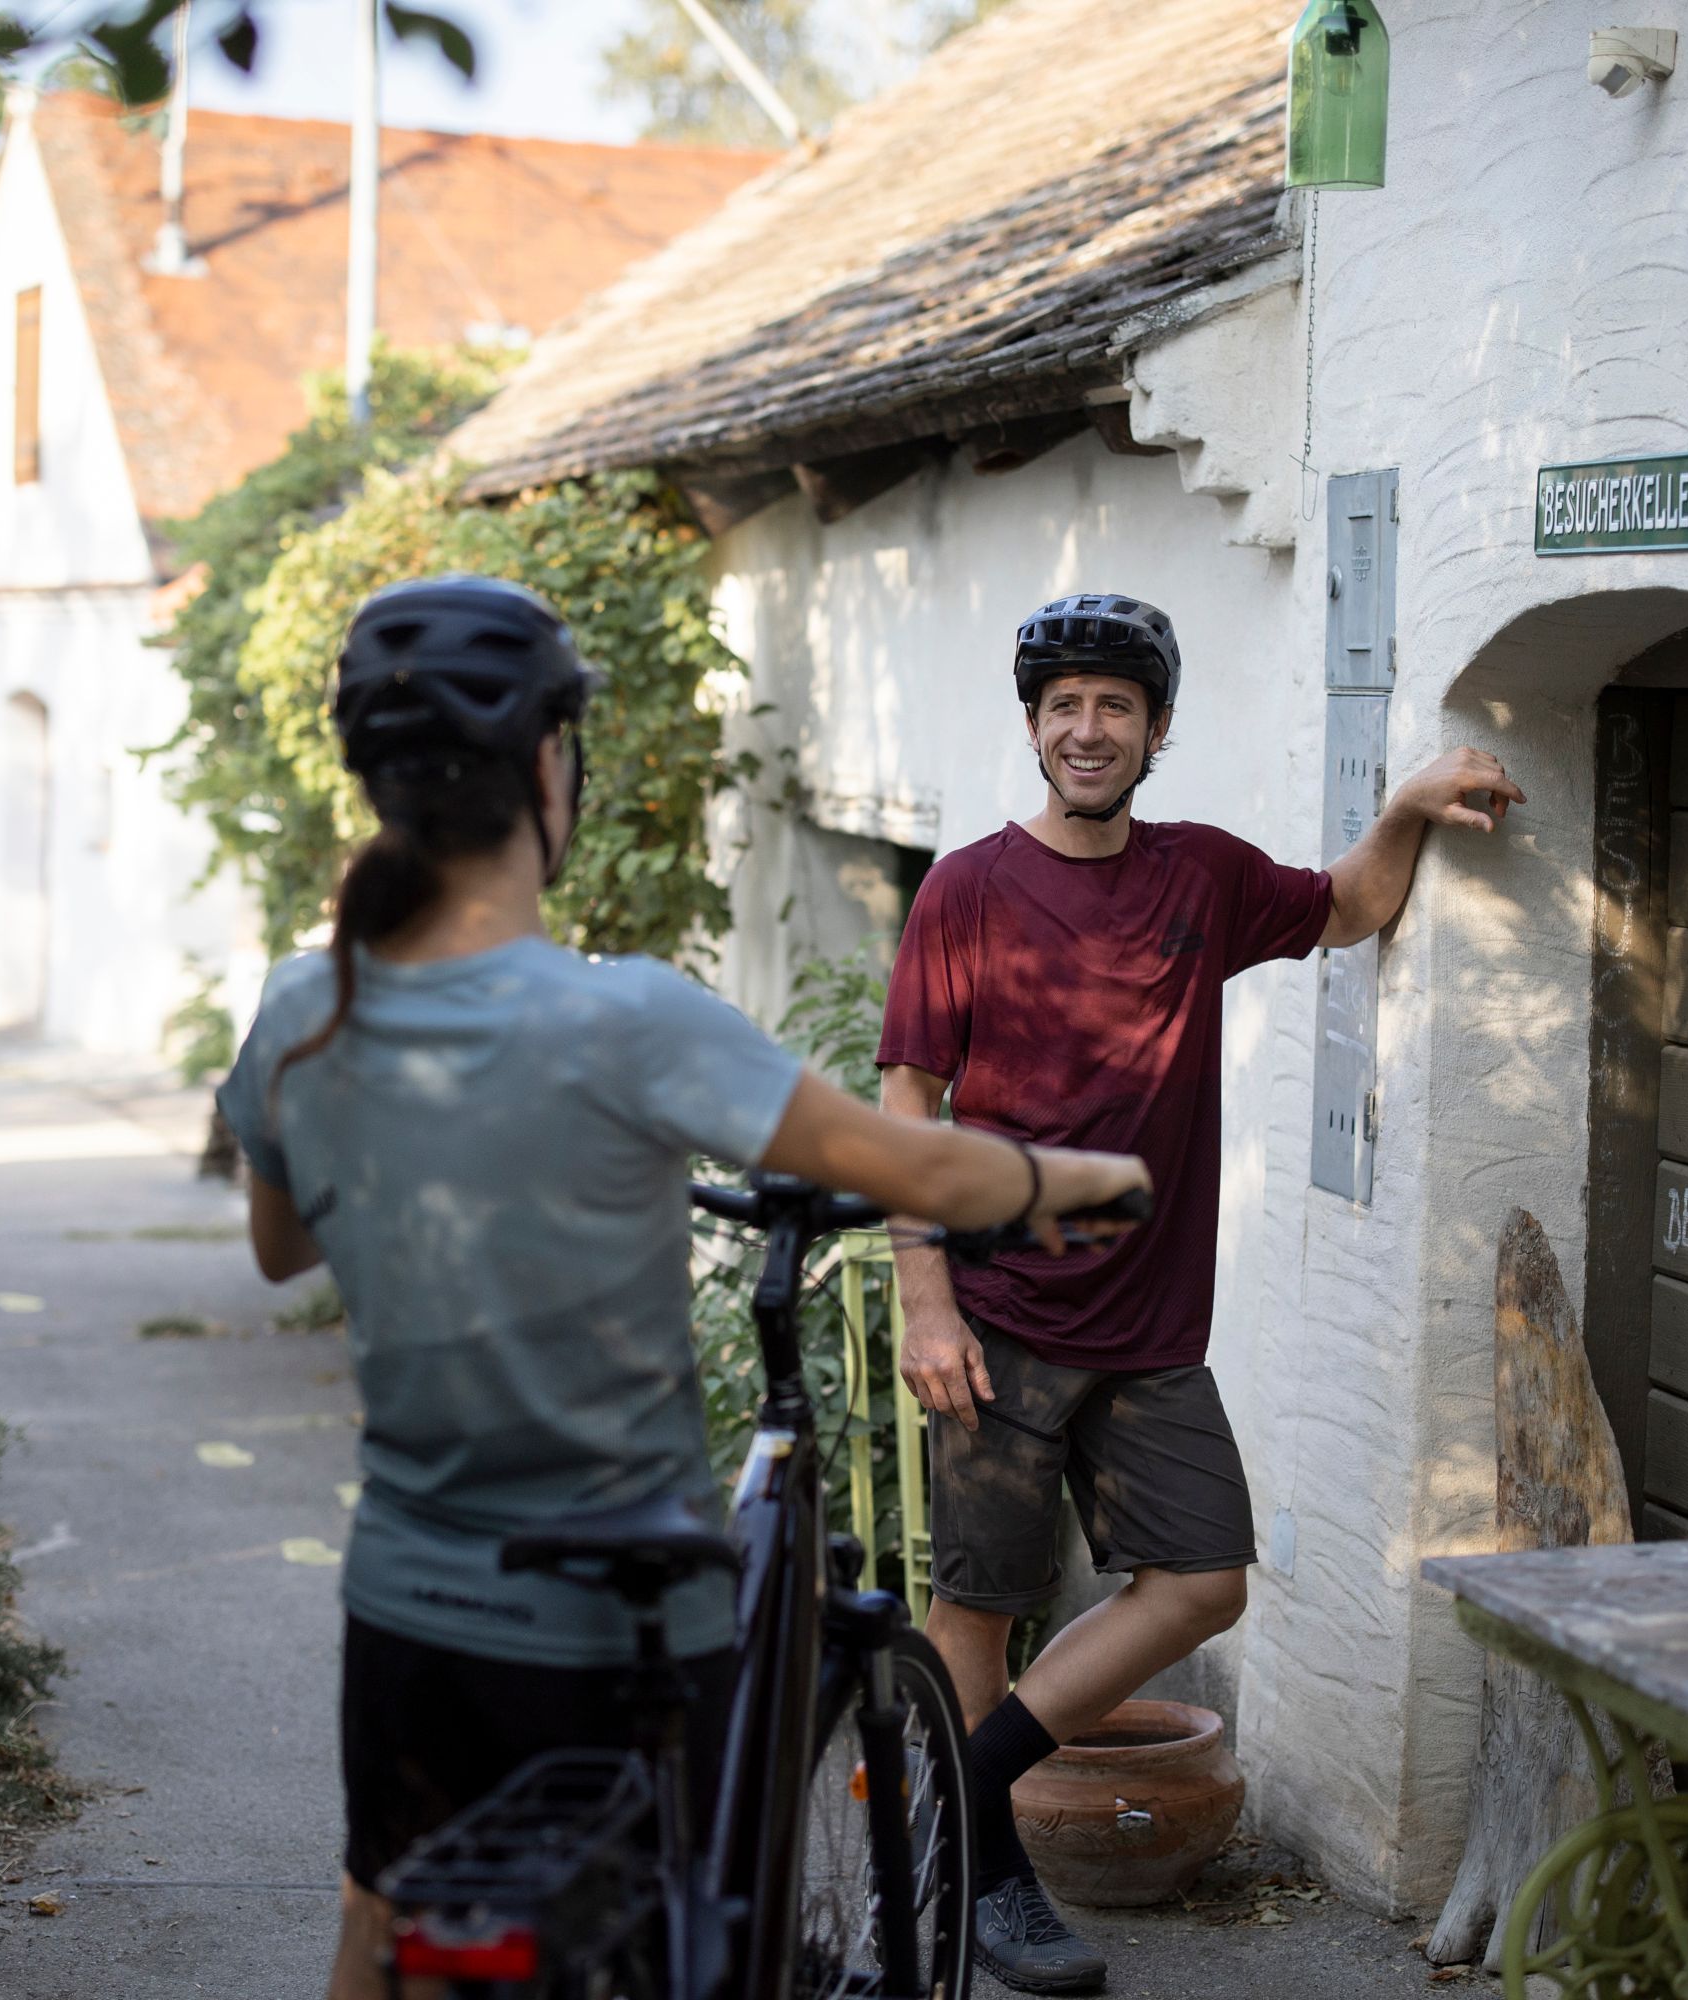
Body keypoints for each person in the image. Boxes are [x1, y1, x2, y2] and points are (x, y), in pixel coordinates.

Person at [211, 576, 1153, 2000]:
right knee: (679, 1936)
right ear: (550, 766)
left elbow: (283, 1246)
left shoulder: (303, 1007)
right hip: (613, 1620)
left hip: (402, 1598)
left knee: (383, 1905)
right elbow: (914, 1165)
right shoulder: (630, 1020)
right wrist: (1081, 1183)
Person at [878, 591, 1522, 1994]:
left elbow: (1351, 906)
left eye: (1116, 706)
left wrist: (1406, 803)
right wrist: (923, 1296)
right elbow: (907, 1100)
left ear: (1156, 730)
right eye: (1065, 708)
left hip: (1152, 1330)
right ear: (1035, 729)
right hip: (996, 1316)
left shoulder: (1203, 877)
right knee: (979, 1604)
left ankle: (968, 1792)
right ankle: (985, 1877)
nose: (1088, 728)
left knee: (1203, 1581)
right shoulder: (966, 892)